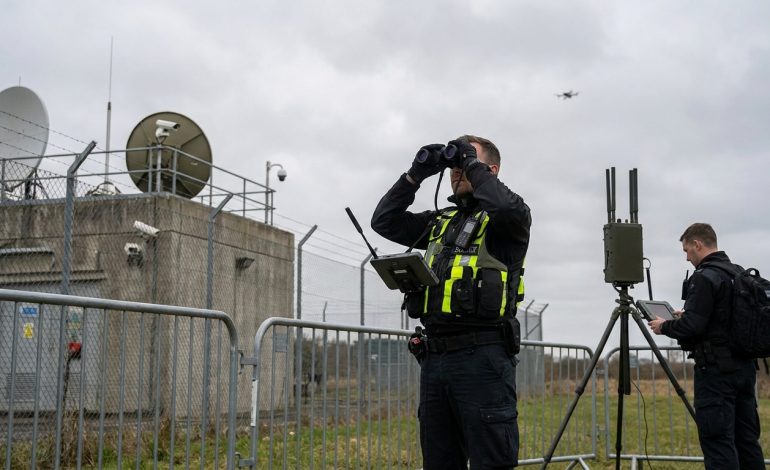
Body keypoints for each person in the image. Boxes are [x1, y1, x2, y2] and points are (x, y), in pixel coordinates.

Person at [371, 135, 531, 469]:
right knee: (439, 460)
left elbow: (501, 206)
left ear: (492, 170)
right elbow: (383, 220)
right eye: (453, 168)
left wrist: (470, 163)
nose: (456, 173)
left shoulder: (508, 220)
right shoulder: (438, 222)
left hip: (484, 359)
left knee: (492, 461)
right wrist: (416, 175)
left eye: (466, 165)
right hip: (435, 360)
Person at [648, 223, 764, 469]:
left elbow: (693, 327)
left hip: (716, 374)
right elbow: (720, 319)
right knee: (747, 443)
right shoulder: (737, 273)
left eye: (686, 250)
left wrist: (665, 326)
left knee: (719, 443)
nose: (687, 257)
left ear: (697, 244)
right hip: (744, 370)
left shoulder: (704, 276)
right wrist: (686, 316)